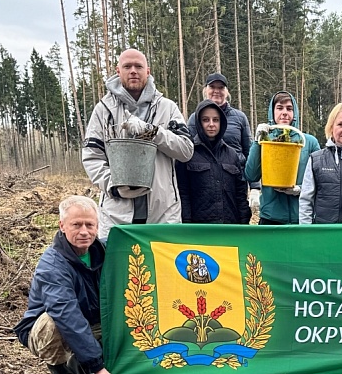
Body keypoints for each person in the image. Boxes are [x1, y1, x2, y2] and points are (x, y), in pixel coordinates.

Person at [83, 48, 194, 239]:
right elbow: (92, 157)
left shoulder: (167, 108)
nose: (133, 71)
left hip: (163, 215)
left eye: (138, 66)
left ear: (148, 71)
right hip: (117, 216)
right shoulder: (103, 111)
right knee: (119, 267)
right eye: (127, 66)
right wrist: (114, 186)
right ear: (118, 71)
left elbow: (185, 150)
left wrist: (151, 132)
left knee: (162, 269)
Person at [13, 196, 115, 374]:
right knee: (54, 322)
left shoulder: (106, 251)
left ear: (98, 226)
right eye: (76, 225)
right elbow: (67, 315)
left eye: (90, 225)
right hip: (49, 330)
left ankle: (80, 362)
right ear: (62, 226)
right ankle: (60, 373)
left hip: (90, 321)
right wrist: (97, 365)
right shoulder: (52, 265)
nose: (84, 231)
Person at [244, 91, 321, 224]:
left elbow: (321, 179)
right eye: (280, 108)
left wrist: (300, 189)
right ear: (272, 112)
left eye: (289, 109)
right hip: (271, 217)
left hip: (301, 217)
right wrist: (258, 142)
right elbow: (251, 175)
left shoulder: (308, 142)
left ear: (295, 113)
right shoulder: (265, 141)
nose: (284, 112)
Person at [187, 73, 258, 215]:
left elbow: (249, 151)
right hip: (204, 182)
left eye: (221, 87)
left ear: (226, 92)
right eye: (212, 87)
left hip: (235, 179)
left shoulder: (240, 118)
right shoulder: (194, 118)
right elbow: (188, 150)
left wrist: (255, 186)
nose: (216, 91)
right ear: (205, 90)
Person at [176, 99, 251, 224]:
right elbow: (183, 192)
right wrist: (186, 222)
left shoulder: (232, 155)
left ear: (221, 123)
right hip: (199, 228)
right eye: (206, 120)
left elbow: (240, 193)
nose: (211, 124)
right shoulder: (188, 153)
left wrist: (244, 220)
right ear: (199, 123)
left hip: (230, 226)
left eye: (215, 120)